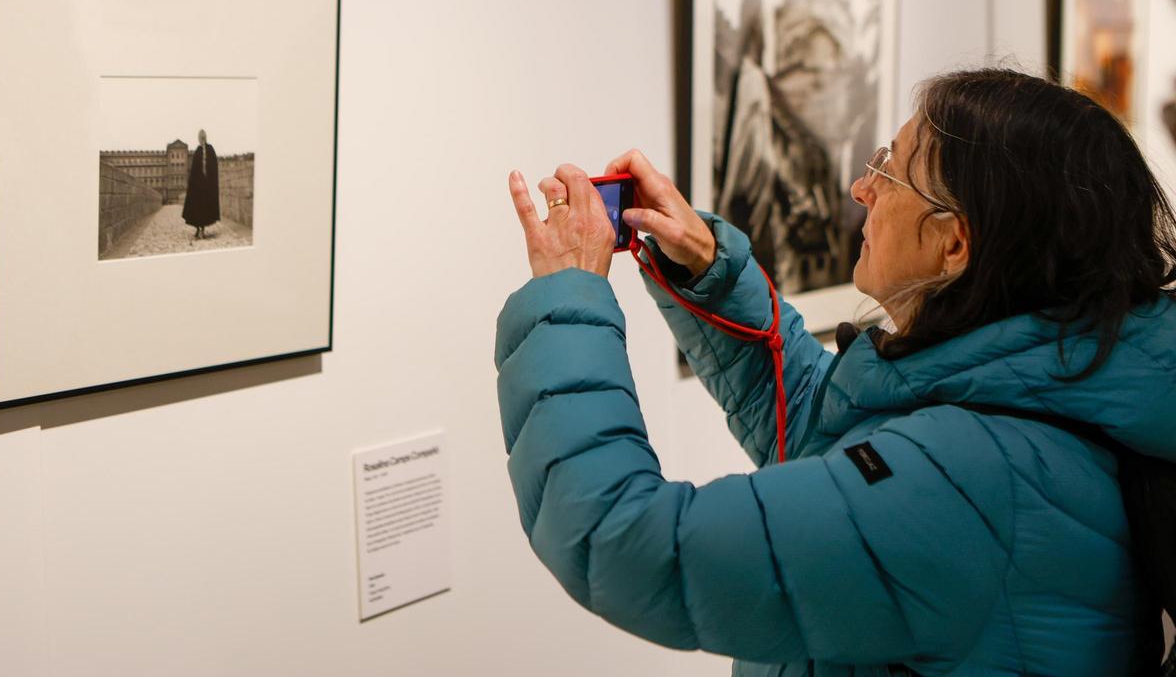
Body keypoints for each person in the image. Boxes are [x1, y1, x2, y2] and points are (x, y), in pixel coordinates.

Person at [496, 68, 1176, 676]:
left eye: (890, 169)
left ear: (955, 243)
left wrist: (569, 294)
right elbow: (828, 427)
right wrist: (706, 267)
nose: (861, 188)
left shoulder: (967, 484)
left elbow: (623, 540)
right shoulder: (1053, 388)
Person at [182, 128, 220, 239]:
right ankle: (201, 230)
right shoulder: (206, 149)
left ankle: (199, 230)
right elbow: (211, 168)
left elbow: (194, 171)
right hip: (205, 187)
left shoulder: (200, 150)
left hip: (200, 188)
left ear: (199, 138)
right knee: (203, 209)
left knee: (199, 209)